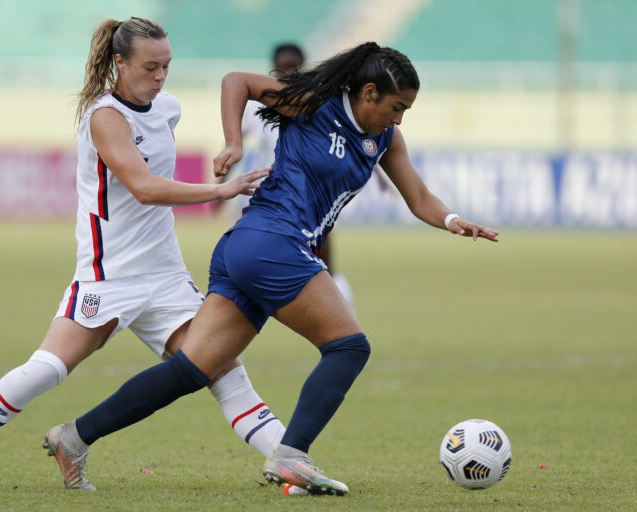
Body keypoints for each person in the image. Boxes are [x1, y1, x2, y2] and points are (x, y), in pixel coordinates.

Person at [43, 42, 499, 496]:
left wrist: (453, 220)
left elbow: (418, 198)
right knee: (349, 348)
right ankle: (291, 455)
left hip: (249, 248)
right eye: (396, 107)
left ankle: (75, 437)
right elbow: (235, 82)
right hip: (272, 244)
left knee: (192, 370)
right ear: (368, 91)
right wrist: (234, 143)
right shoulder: (314, 104)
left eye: (407, 111)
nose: (399, 119)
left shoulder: (385, 138)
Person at [0, 17, 292, 491]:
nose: (160, 77)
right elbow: (143, 186)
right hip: (108, 276)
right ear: (120, 62)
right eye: (150, 67)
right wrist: (220, 190)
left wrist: (227, 151)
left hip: (166, 277)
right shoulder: (104, 116)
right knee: (46, 371)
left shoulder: (167, 108)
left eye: (167, 67)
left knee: (223, 372)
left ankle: (289, 467)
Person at [220, 42, 355, 305]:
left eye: (292, 70)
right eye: (281, 71)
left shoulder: (314, 103)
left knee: (323, 254)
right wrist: (221, 180)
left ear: (302, 69)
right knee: (243, 249)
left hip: (308, 192)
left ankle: (339, 303)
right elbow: (235, 140)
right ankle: (235, 306)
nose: (287, 76)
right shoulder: (257, 104)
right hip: (263, 189)